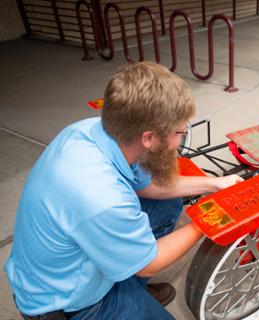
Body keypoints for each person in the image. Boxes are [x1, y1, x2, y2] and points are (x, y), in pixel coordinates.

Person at [4, 62, 243, 319]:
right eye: (179, 133)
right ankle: (123, 294)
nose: (179, 141)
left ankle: (129, 289)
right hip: (68, 305)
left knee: (168, 203)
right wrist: (209, 217)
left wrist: (215, 184)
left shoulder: (88, 130)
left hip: (59, 268)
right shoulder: (102, 197)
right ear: (148, 138)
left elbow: (150, 185)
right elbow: (150, 263)